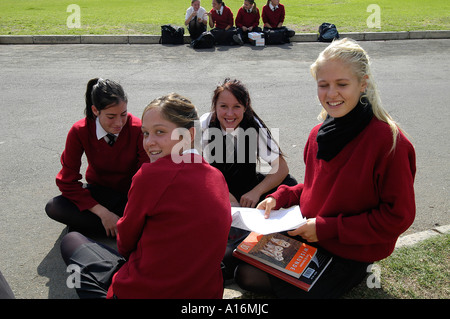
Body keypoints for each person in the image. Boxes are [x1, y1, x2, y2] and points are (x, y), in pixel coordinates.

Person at [235, 38, 416, 298]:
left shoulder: (389, 142)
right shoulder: (317, 134)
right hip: (309, 232)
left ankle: (357, 273)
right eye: (323, 85)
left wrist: (326, 229)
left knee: (273, 283)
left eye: (342, 84)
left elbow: (397, 216)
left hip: (351, 249)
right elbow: (314, 188)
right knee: (243, 269)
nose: (331, 94)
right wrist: (279, 197)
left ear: (363, 83)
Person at [60, 93, 232, 299]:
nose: (149, 142)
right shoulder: (216, 176)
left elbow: (125, 244)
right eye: (145, 133)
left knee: (71, 241)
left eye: (160, 132)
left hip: (146, 290)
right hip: (204, 293)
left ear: (189, 135)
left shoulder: (150, 175)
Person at [201, 78, 297, 279]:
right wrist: (222, 193)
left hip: (247, 190)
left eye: (236, 107)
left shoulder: (254, 125)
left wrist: (256, 192)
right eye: (223, 106)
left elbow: (281, 167)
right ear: (215, 106)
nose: (229, 113)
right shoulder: (205, 123)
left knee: (290, 185)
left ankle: (273, 236)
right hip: (214, 189)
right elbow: (191, 165)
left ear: (245, 107)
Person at [45, 78, 148, 237]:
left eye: (123, 114)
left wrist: (133, 208)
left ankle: (109, 228)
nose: (119, 123)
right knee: (54, 207)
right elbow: (67, 180)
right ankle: (123, 228)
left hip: (131, 196)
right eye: (111, 116)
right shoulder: (80, 130)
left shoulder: (137, 129)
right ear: (95, 111)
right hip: (99, 194)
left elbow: (146, 176)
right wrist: (102, 213)